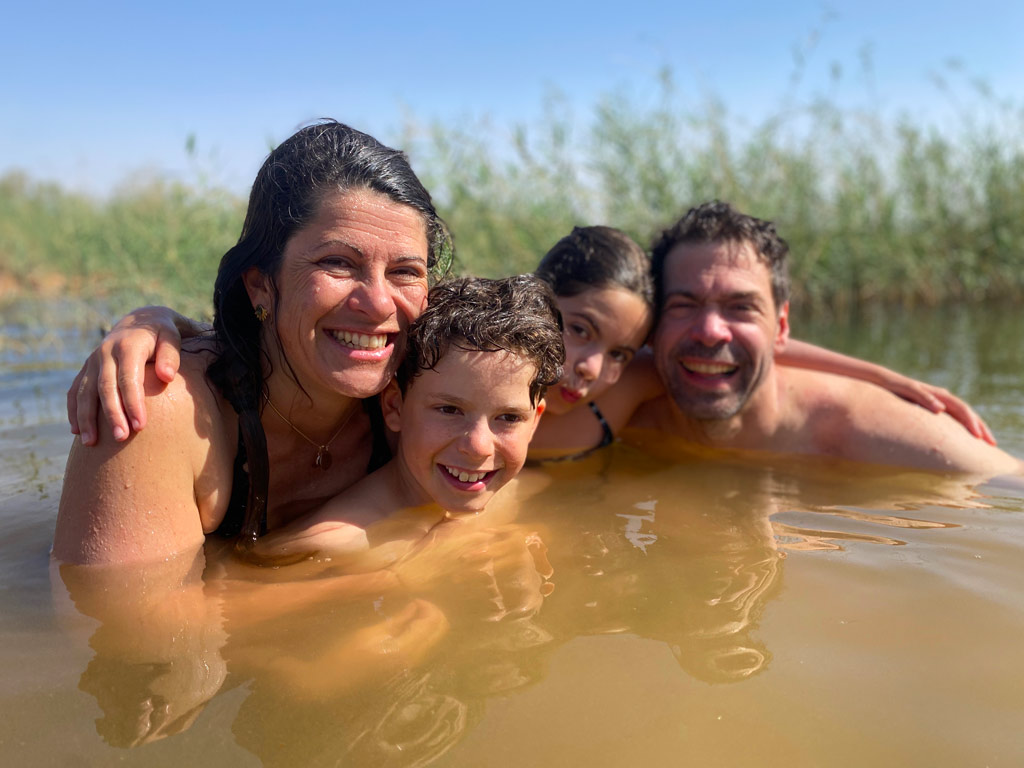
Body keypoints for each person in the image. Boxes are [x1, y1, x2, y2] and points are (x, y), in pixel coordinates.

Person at [67, 225, 996, 466]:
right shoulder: (464, 349)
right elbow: (327, 339)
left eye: (611, 348)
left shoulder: (618, 395)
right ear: (533, 301)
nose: (582, 363)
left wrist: (892, 376)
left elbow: (743, 352)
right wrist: (149, 322)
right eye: (572, 327)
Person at [52, 119, 455, 565]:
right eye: (338, 262)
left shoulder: (436, 390)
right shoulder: (158, 405)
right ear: (260, 283)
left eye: (405, 272)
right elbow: (132, 626)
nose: (379, 303)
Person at [625, 200, 1022, 474]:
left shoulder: (878, 432)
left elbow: (1009, 492)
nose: (711, 331)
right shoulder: (613, 406)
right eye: (683, 305)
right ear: (650, 326)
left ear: (781, 327)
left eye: (741, 307)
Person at [249, 274, 564, 563]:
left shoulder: (513, 491)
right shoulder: (331, 545)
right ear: (394, 407)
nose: (479, 447)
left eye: (508, 417)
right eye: (450, 410)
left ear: (534, 421)